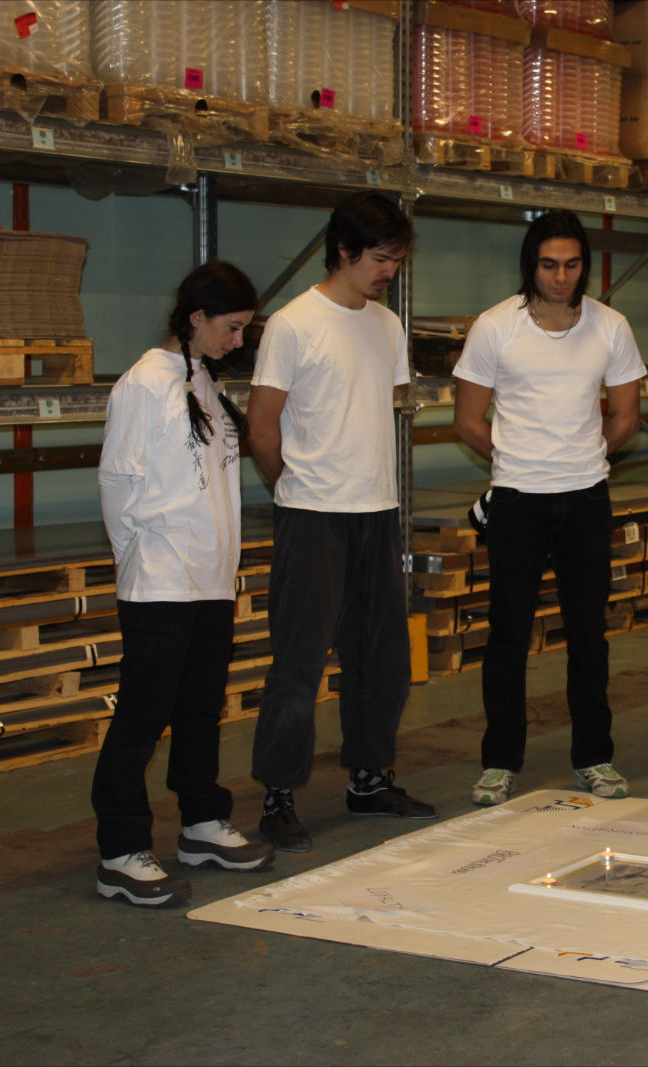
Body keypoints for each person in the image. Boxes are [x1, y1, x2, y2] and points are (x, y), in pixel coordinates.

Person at [246, 191, 436, 853]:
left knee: (382, 658)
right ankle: (278, 793)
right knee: (299, 662)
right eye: (380, 258)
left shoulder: (387, 326)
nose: (389, 271)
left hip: (376, 511)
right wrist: (294, 488)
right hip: (313, 515)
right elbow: (261, 426)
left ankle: (368, 777)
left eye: (397, 260)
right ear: (345, 250)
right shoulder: (294, 324)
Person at [92, 260, 276, 907]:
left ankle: (201, 824)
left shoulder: (202, 381)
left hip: (210, 579)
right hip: (160, 581)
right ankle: (120, 851)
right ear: (196, 317)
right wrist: (138, 559)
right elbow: (118, 484)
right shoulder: (145, 383)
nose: (237, 341)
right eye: (231, 327)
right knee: (142, 717)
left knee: (201, 708)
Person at [452, 212, 646, 805]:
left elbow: (626, 417)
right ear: (530, 265)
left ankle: (594, 757)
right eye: (549, 265)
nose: (561, 277)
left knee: (589, 633)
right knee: (507, 634)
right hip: (517, 501)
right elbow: (467, 419)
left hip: (586, 499)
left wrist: (583, 456)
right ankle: (499, 762)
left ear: (584, 266)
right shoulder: (495, 327)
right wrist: (519, 461)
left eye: (572, 265)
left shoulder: (611, 327)